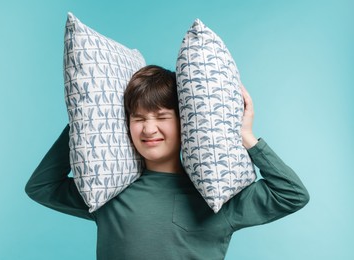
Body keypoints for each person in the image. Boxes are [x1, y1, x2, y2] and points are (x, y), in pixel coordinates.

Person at [25, 65, 309, 259]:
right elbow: (42, 187)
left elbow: (292, 195)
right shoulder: (108, 193)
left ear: (186, 121)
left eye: (161, 117)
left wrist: (246, 136)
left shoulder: (219, 196)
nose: (149, 129)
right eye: (138, 119)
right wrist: (82, 123)